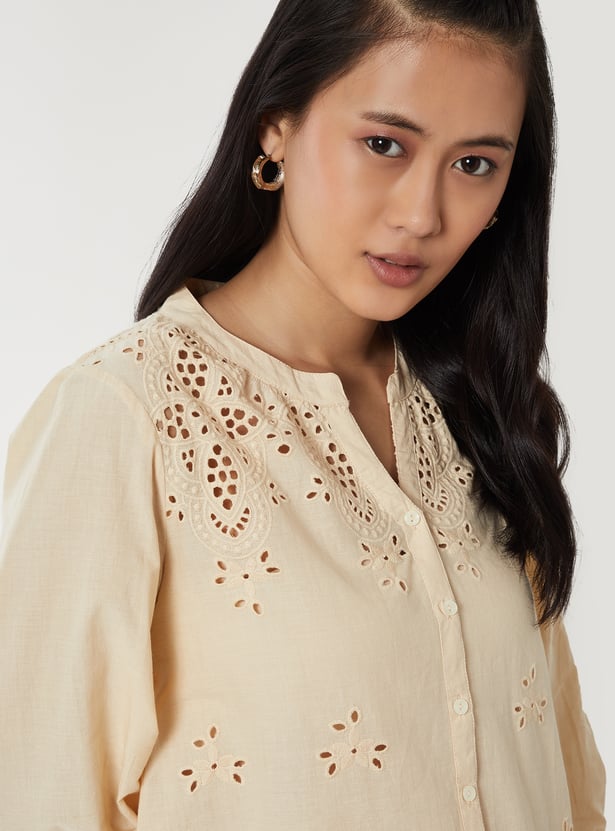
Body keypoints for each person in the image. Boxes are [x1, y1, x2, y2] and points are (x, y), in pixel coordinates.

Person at [0, 0, 606, 828]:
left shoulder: (482, 412)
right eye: (384, 144)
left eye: (473, 164)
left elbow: (566, 786)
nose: (421, 215)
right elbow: (40, 795)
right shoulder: (125, 418)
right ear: (276, 125)